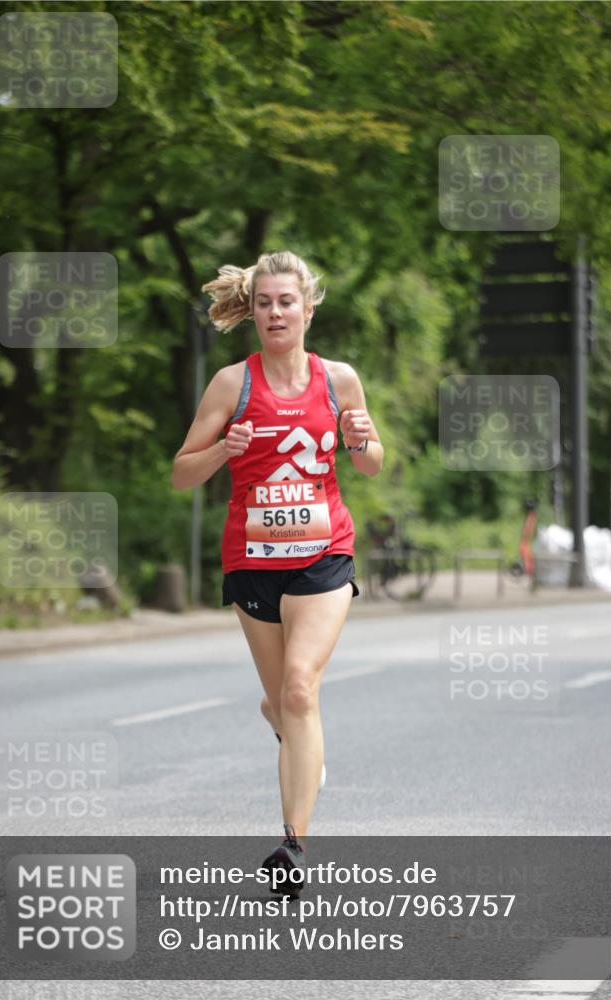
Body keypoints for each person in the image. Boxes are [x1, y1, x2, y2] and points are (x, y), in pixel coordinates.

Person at [172, 250, 383, 894]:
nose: (274, 312)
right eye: (264, 303)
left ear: (307, 308)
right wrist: (221, 448)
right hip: (252, 563)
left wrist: (361, 437)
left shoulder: (338, 380)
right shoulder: (231, 384)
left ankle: (294, 846)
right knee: (285, 704)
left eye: (286, 301)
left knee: (299, 689)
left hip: (324, 555)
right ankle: (297, 738)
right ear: (253, 311)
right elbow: (182, 473)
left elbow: (370, 463)